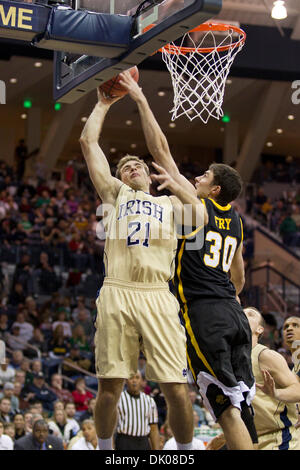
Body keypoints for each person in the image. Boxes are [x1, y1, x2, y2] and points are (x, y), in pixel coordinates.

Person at [118, 70, 256, 450]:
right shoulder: (238, 223)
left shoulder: (196, 207)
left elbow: (161, 151)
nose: (196, 175)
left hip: (205, 313)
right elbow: (240, 278)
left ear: (214, 188)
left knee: (224, 408)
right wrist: (229, 299)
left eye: (205, 174)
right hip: (233, 311)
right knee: (240, 407)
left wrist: (141, 98)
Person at [79, 86, 206, 451]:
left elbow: (196, 212)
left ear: (149, 175)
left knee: (177, 390)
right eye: (124, 166)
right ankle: (105, 450)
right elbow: (89, 144)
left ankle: (182, 453)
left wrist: (140, 98)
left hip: (157, 295)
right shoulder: (115, 195)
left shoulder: (170, 203)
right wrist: (103, 103)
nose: (131, 167)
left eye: (136, 165)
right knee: (109, 388)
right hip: (118, 290)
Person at [207, 308, 300, 450]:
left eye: (250, 314)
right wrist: (226, 436)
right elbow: (244, 410)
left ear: (260, 329)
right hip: (249, 440)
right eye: (241, 312)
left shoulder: (265, 355)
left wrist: (276, 393)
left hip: (279, 439)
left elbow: (297, 390)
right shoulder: (229, 361)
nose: (243, 315)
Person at [115, 371, 160, 450]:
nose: (134, 381)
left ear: (142, 381)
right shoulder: (118, 399)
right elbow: (112, 427)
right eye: (131, 378)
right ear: (126, 380)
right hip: (124, 442)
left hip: (143, 442)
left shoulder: (150, 401)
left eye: (137, 378)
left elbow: (154, 429)